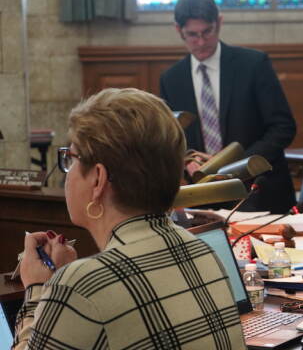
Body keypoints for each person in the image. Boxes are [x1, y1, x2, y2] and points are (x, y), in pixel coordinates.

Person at [14, 88, 246, 349]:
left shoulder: (80, 284)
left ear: (98, 179)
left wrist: (37, 288)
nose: (68, 172)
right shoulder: (202, 251)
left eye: (71, 158)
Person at [160, 0, 297, 213]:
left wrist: (234, 165)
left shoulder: (253, 65)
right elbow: (174, 140)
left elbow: (283, 127)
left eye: (208, 31)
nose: (201, 41)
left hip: (258, 190)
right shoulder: (171, 79)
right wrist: (186, 163)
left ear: (219, 23)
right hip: (203, 196)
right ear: (179, 30)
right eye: (192, 35)